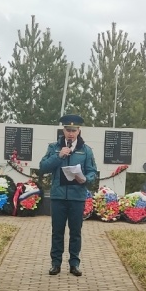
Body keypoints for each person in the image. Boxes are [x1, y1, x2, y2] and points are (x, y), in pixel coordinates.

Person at [40, 114, 98, 276]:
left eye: (74, 130)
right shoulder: (54, 147)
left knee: (75, 232)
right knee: (57, 232)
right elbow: (43, 167)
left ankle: (74, 263)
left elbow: (92, 172)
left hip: (77, 197)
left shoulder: (86, 150)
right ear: (63, 131)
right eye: (68, 130)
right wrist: (58, 156)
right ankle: (55, 263)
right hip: (58, 196)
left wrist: (86, 179)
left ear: (79, 131)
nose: (70, 133)